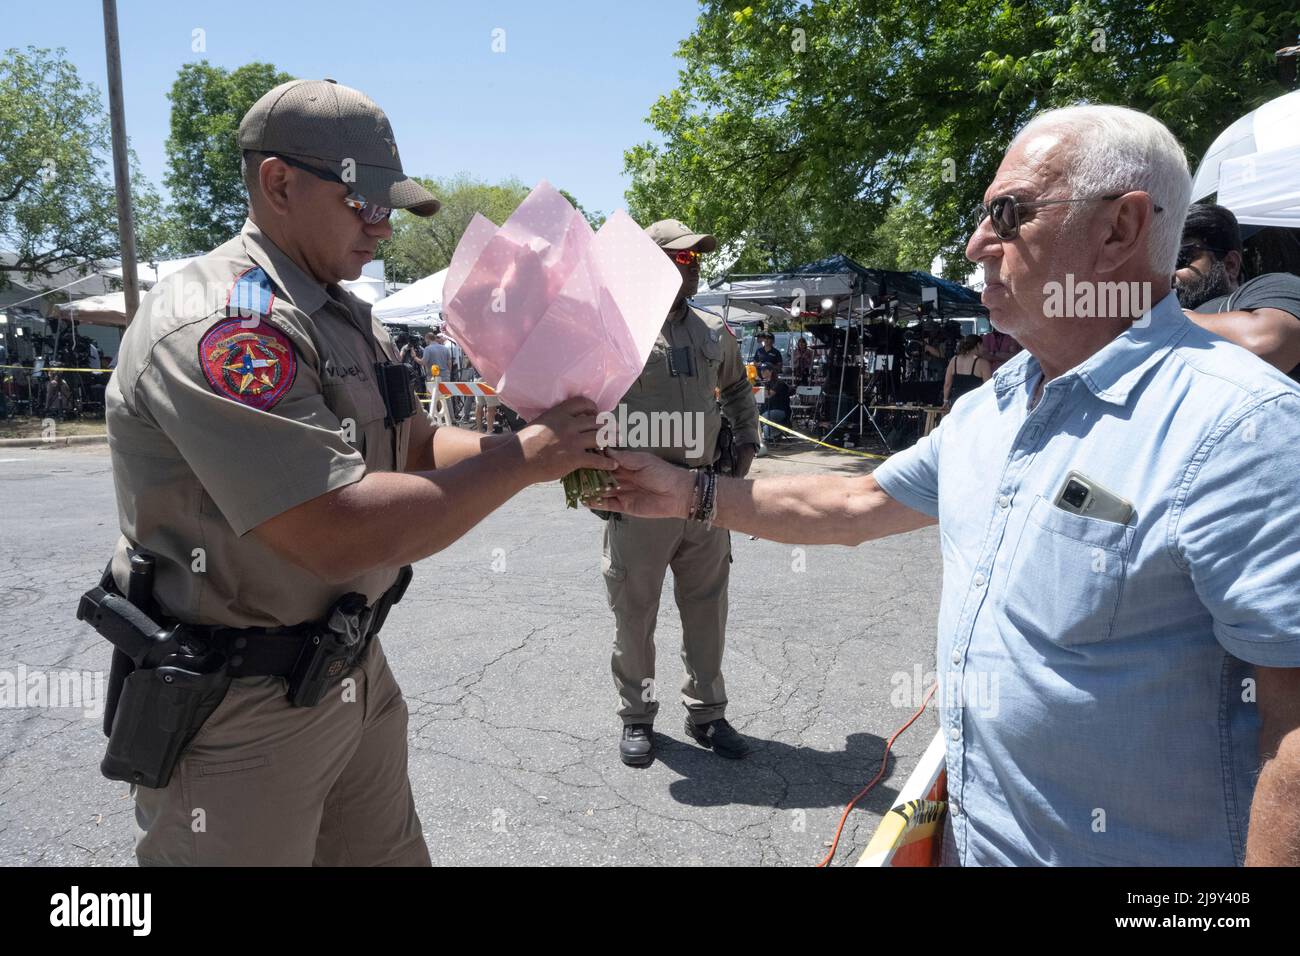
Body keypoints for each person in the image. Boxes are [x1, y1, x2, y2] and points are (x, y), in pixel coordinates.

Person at [593, 105, 1300, 866]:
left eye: (1009, 213)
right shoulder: (994, 403)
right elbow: (858, 504)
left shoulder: (1242, 429)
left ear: (1121, 229)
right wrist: (682, 491)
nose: (976, 244)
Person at [92, 78, 612, 866]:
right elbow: (335, 531)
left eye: (389, 210)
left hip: (350, 672)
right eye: (363, 204)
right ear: (279, 183)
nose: (382, 230)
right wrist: (524, 458)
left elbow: (416, 447)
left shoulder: (338, 312)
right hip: (240, 709)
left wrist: (548, 452)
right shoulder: (227, 326)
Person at [602, 218, 761, 767]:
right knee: (635, 612)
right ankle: (638, 718)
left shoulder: (713, 333)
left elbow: (738, 389)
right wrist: (589, 474)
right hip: (639, 499)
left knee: (707, 609)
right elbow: (580, 401)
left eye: (696, 261)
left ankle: (708, 714)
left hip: (704, 494)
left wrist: (746, 444)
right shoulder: (614, 331)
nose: (692, 269)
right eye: (681, 258)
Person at [1176, 202, 1300, 382]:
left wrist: (1166, 315)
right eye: (1161, 262)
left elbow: (1265, 342)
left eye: (1180, 258)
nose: (1167, 273)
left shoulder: (1272, 285)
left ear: (1230, 264)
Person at [943, 335, 991, 407]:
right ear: (978, 345)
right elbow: (988, 386)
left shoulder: (954, 360)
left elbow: (947, 384)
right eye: (982, 345)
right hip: (975, 403)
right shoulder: (983, 363)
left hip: (956, 402)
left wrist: (945, 400)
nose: (984, 349)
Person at [757, 363, 791, 442]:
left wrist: (759, 385)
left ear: (771, 371)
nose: (762, 372)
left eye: (764, 370)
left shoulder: (779, 383)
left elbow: (768, 395)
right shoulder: (764, 383)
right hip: (766, 410)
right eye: (761, 370)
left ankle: (776, 432)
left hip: (780, 411)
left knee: (762, 417)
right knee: (754, 416)